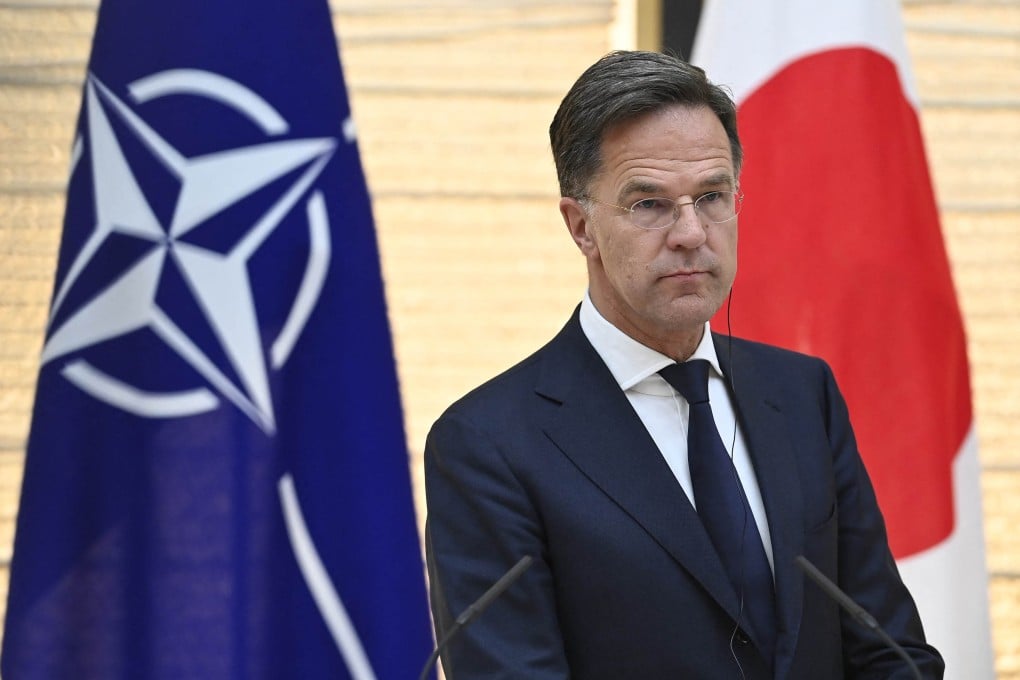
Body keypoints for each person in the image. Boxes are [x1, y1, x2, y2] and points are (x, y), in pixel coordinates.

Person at [423, 50, 943, 679]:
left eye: (712, 196)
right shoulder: (488, 444)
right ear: (580, 225)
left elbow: (889, 653)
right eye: (649, 204)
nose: (692, 233)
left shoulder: (803, 394)